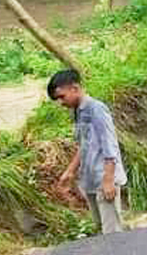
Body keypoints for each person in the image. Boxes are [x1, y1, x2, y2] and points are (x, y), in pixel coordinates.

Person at [49, 69, 128, 235]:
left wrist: (108, 180)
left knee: (112, 234)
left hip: (104, 179)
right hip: (91, 180)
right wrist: (70, 172)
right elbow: (84, 145)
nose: (60, 103)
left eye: (62, 97)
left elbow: (110, 145)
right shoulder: (78, 111)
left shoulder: (96, 109)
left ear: (75, 88)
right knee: (101, 229)